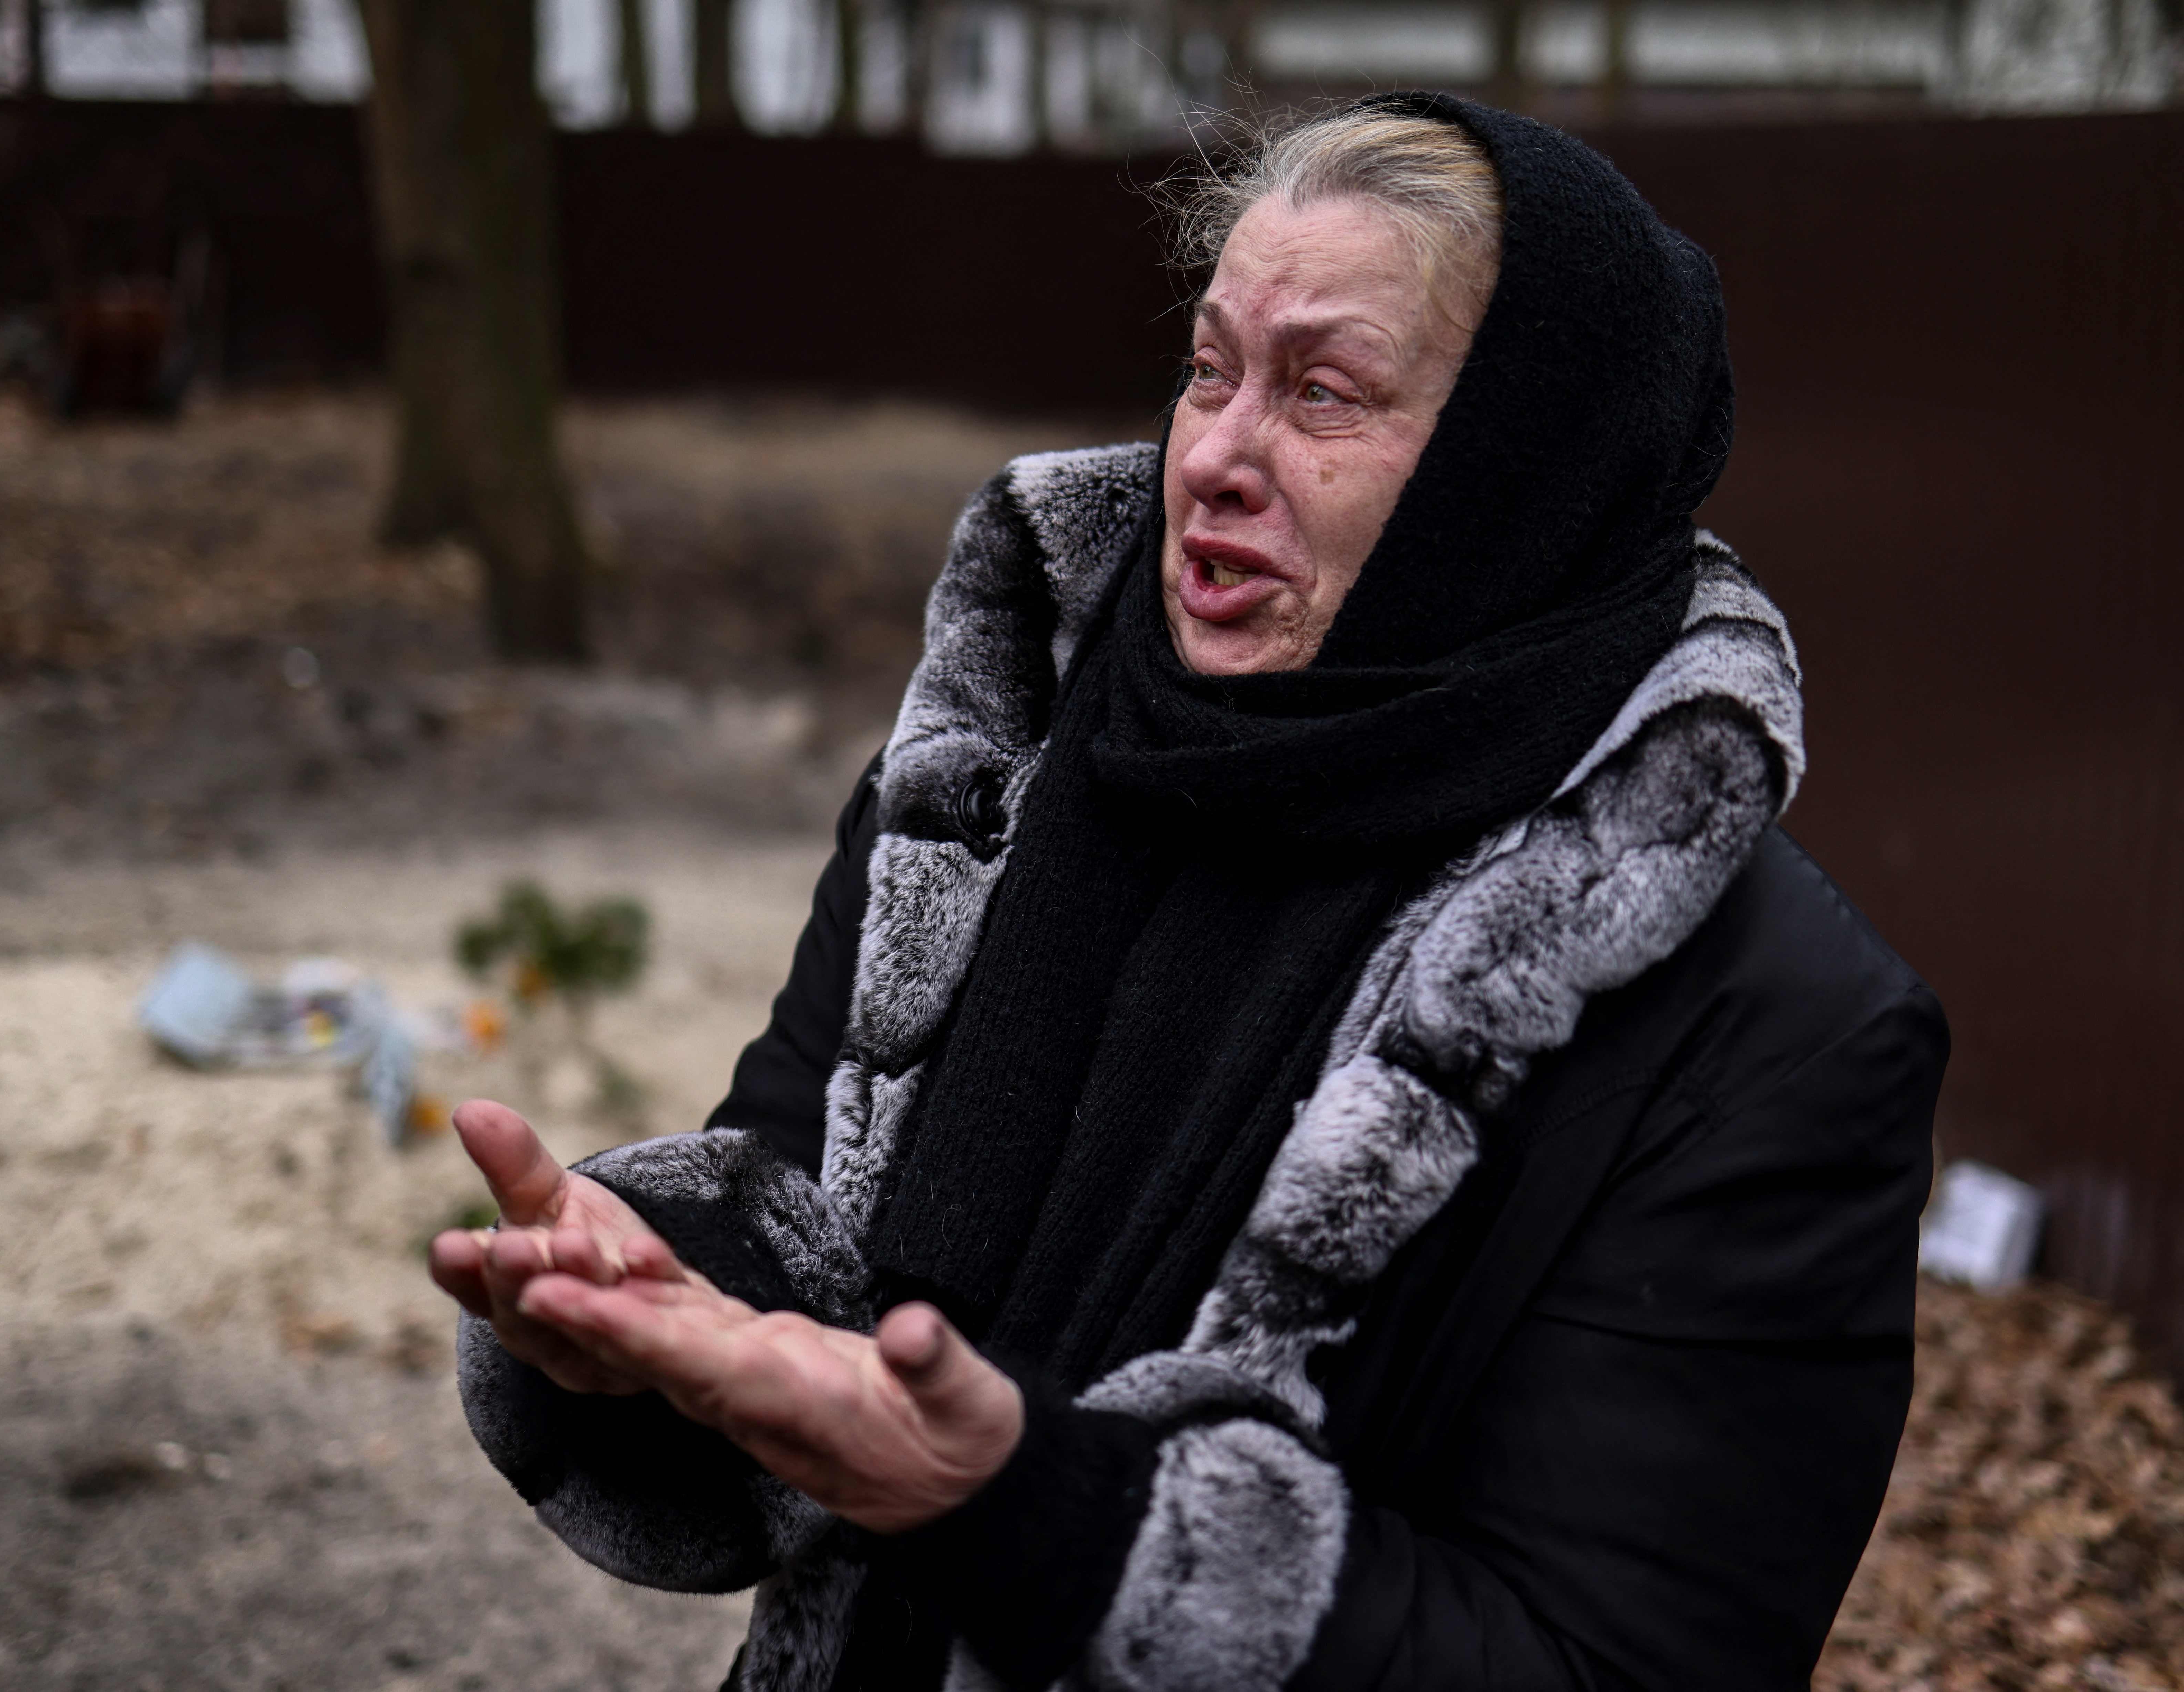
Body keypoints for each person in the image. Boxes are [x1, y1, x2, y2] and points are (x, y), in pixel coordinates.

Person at [429, 92, 1947, 1692]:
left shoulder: (1768, 1026)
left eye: (1324, 393)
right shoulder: (990, 789)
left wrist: (1044, 1524)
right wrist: (656, 1312)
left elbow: (1613, 1661)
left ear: (1524, 468)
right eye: (1211, 369)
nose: (1213, 455)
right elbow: (805, 1213)